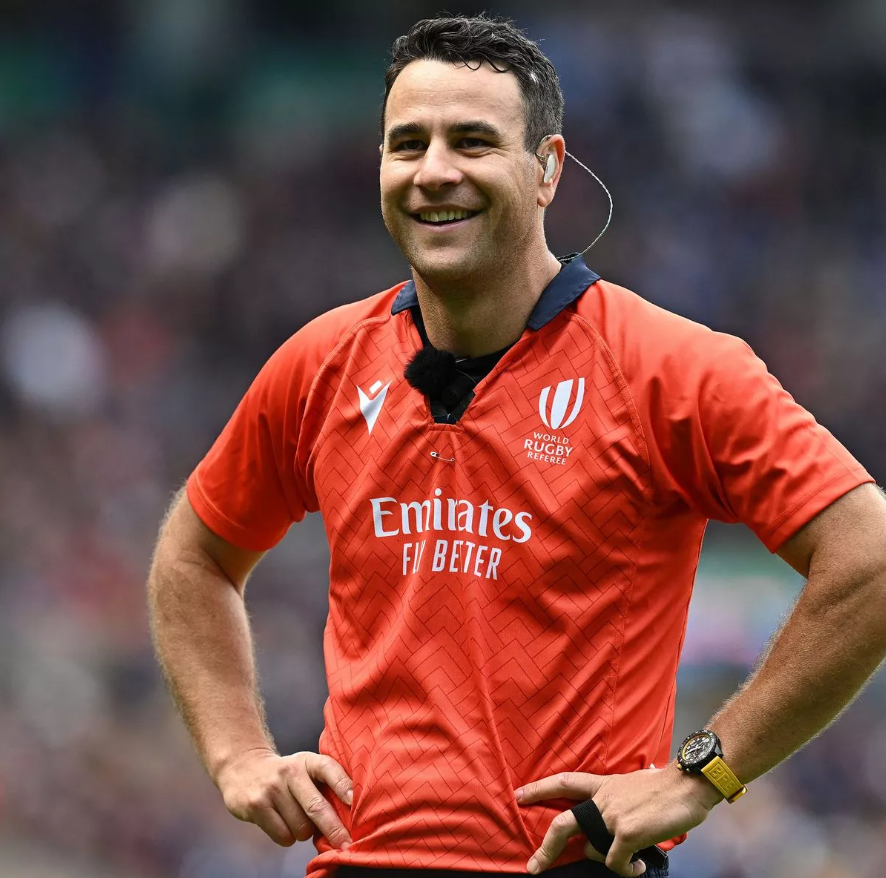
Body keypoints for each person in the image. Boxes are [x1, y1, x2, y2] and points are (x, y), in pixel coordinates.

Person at [147, 13, 886, 878]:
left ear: (548, 170)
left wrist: (702, 774)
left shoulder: (670, 369)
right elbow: (193, 559)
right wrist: (239, 757)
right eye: (406, 144)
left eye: (472, 141)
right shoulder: (323, 364)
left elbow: (868, 559)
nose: (433, 173)